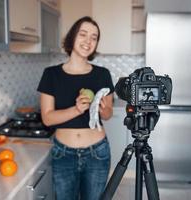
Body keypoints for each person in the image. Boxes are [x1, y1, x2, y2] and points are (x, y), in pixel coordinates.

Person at [37, 16, 115, 200]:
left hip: (98, 152)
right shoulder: (51, 74)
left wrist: (103, 109)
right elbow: (47, 118)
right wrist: (77, 109)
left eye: (94, 37)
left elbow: (109, 113)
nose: (88, 41)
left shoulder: (103, 74)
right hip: (63, 153)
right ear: (72, 37)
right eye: (83, 34)